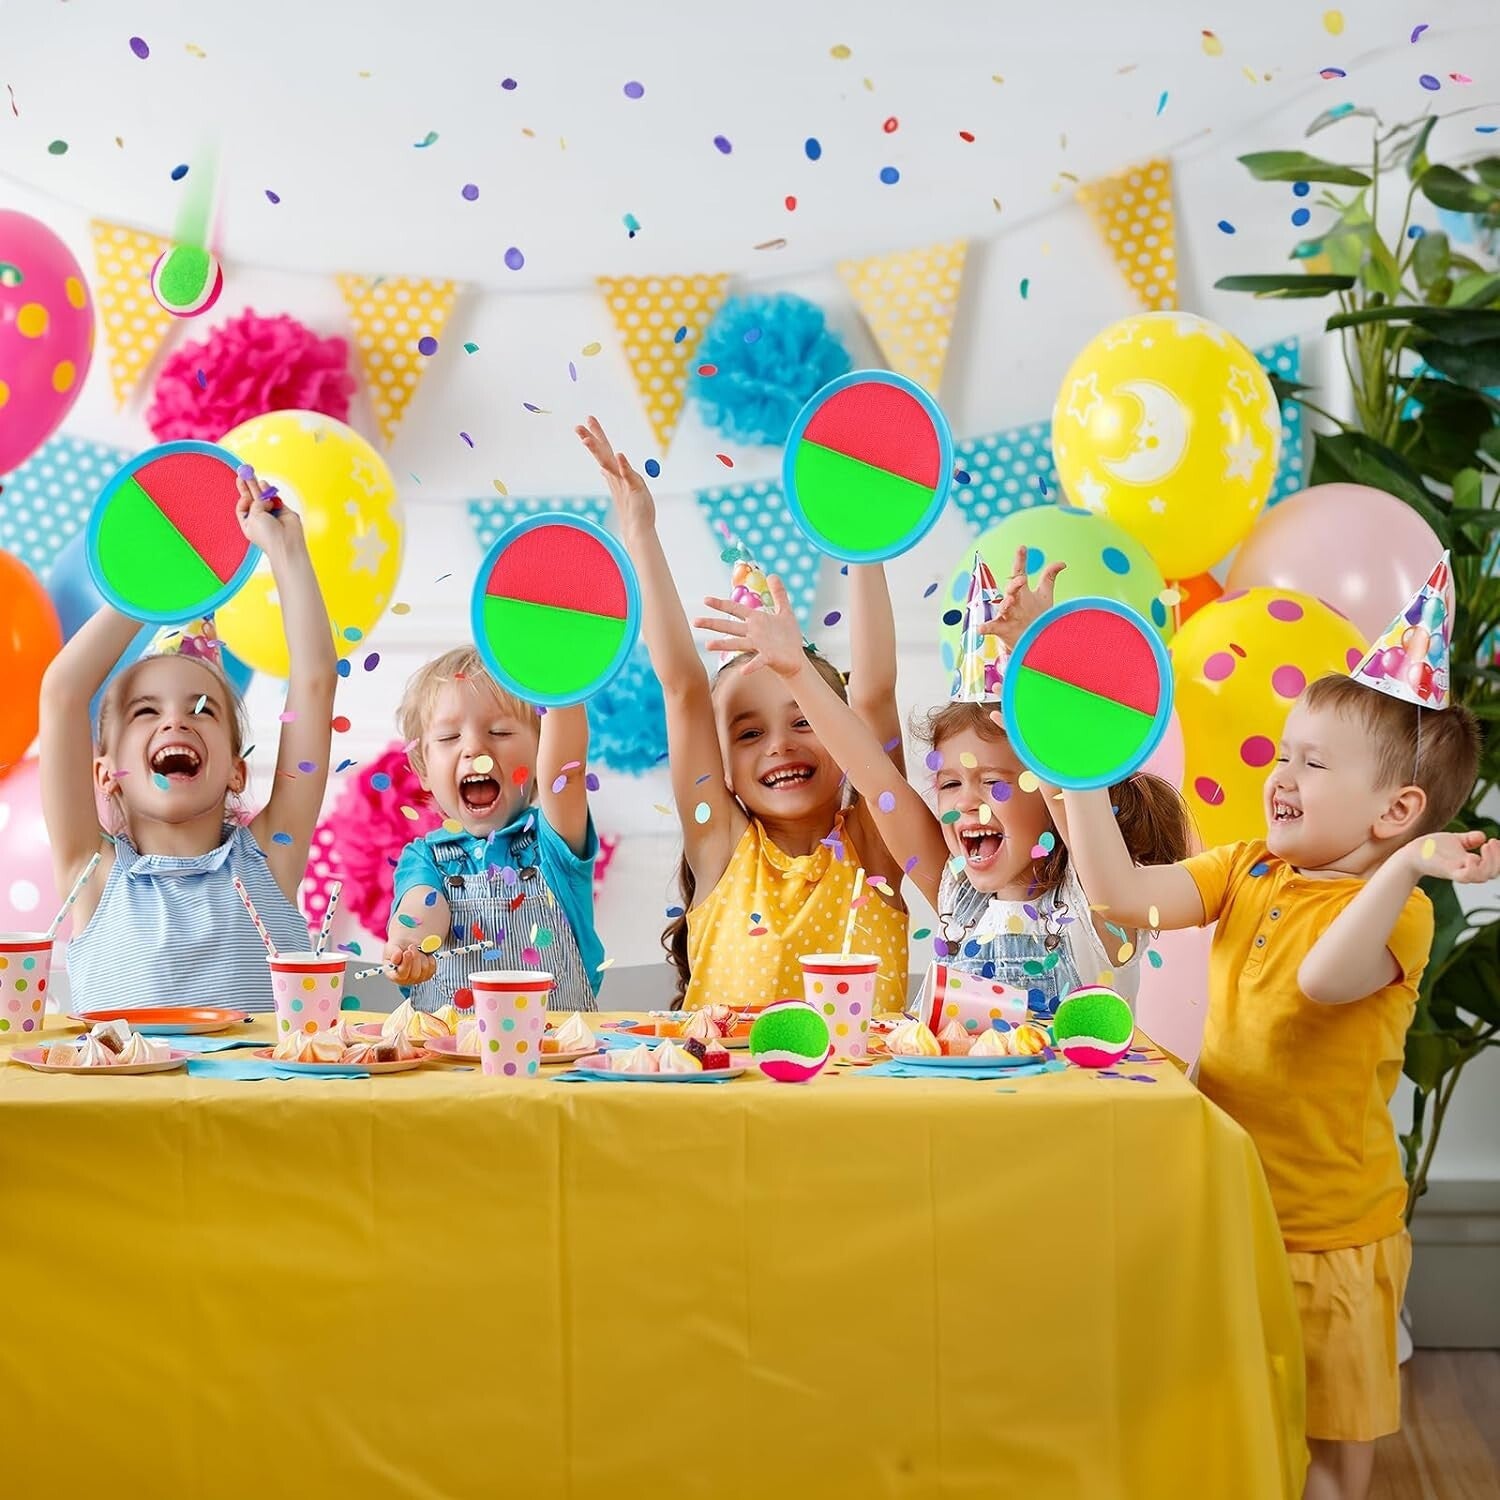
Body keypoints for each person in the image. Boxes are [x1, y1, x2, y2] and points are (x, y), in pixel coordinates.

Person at [1060, 669, 1493, 1500]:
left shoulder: (1398, 909)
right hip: (1227, 1210)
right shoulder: (1247, 868)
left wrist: (1405, 871)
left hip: (1329, 1236)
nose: (1281, 776)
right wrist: (1075, 767)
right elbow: (1120, 897)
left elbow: (1325, 981)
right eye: (1283, 754)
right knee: (1223, 1420)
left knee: (1329, 1450)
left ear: (1396, 813)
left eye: (1313, 763)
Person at [698, 558, 1191, 1010]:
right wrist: (797, 672)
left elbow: (1071, 779)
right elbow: (875, 779)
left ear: (1046, 788)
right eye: (950, 783)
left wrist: (1037, 665)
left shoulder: (1101, 899)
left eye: (992, 781)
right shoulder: (958, 895)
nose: (964, 803)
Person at [575, 415, 908, 1012]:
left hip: (863, 1107)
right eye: (749, 732)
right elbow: (682, 687)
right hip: (729, 1107)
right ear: (721, 763)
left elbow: (875, 695)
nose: (779, 745)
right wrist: (639, 529)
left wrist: (863, 542)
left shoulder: (877, 849)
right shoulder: (719, 844)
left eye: (806, 719)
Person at [40, 474, 336, 1011]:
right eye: (146, 710)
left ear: (235, 772)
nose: (176, 721)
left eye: (203, 710)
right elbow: (62, 695)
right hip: (122, 1097)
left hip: (259, 1098)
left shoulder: (272, 856)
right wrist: (149, 591)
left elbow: (315, 678)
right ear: (105, 772)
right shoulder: (92, 871)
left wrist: (286, 549)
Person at [383, 647, 603, 1011]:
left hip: (555, 1060)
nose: (474, 748)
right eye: (449, 738)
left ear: (539, 755)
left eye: (499, 731)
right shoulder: (428, 858)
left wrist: (560, 666)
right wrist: (411, 945)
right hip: (450, 1062)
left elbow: (566, 771)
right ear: (422, 766)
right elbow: (423, 906)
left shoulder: (552, 845)